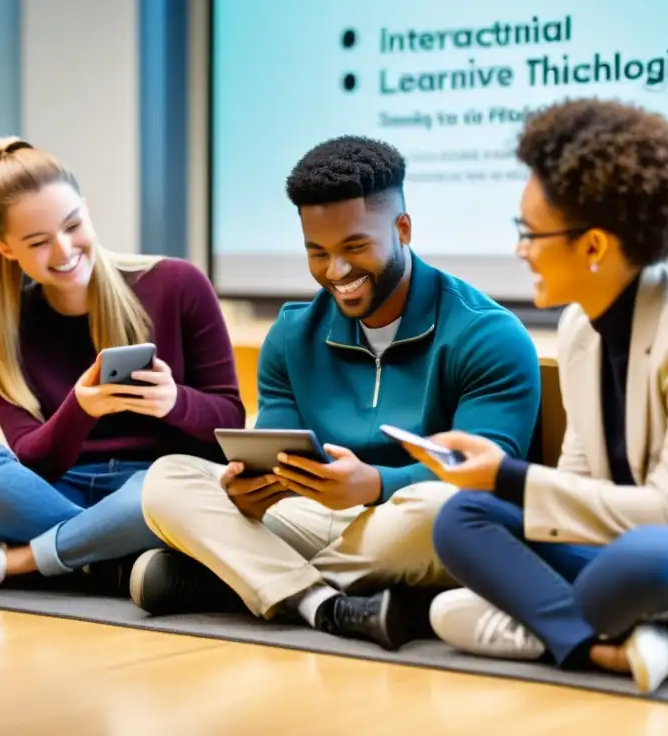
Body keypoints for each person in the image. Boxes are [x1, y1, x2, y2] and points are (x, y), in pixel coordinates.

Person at [403, 97, 668, 693]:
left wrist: (509, 477)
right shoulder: (582, 327)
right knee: (462, 519)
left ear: (595, 247)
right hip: (635, 555)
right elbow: (580, 489)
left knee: (633, 566)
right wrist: (495, 483)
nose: (520, 249)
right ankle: (607, 646)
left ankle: (566, 627)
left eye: (529, 232)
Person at [133, 135, 542, 650]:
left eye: (354, 247)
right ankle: (324, 605)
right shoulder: (290, 334)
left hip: (402, 522)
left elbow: (489, 476)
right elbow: (273, 450)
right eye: (318, 253)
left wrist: (374, 484)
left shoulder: (488, 334)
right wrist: (250, 494)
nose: (336, 272)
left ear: (403, 229)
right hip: (311, 516)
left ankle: (238, 580)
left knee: (447, 508)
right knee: (169, 478)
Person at [0, 137, 246, 592]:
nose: (65, 250)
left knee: (169, 494)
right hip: (57, 490)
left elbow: (230, 421)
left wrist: (173, 401)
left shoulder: (177, 283)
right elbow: (34, 459)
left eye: (73, 225)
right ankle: (108, 561)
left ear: (86, 208)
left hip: (153, 485)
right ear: (4, 247)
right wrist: (81, 409)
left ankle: (23, 563)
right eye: (38, 242)